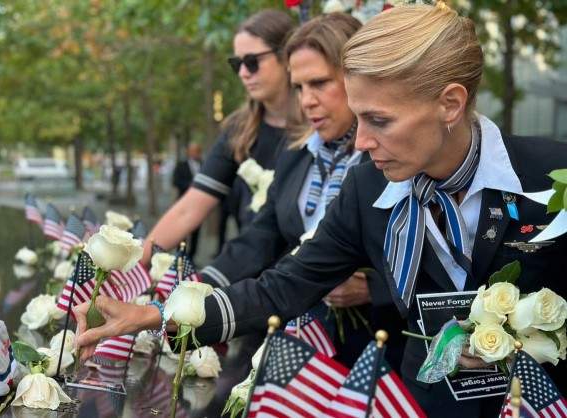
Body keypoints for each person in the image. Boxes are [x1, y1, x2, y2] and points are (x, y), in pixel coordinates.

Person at [75, 4, 567, 417]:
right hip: (421, 402)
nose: (364, 141)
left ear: (450, 103)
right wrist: (159, 313)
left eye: (379, 120)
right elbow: (285, 285)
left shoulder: (553, 174)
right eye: (358, 118)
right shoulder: (368, 184)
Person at [200, 12, 403, 368]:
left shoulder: (397, 160)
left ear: (358, 78)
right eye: (299, 87)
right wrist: (196, 289)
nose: (306, 100)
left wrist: (373, 290)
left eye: (320, 83)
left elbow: (443, 264)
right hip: (302, 349)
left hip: (381, 355)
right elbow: (259, 239)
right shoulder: (295, 156)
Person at [142, 10, 295, 265]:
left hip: (319, 283)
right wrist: (135, 263)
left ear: (287, 56)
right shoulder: (239, 129)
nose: (244, 73)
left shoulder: (323, 126)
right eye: (237, 64)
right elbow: (189, 208)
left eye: (252, 62)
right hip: (252, 274)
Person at [172, 143, 203, 259]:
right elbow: (175, 181)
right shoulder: (181, 165)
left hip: (199, 204)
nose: (194, 153)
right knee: (182, 232)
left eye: (196, 151)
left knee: (196, 232)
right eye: (192, 151)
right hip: (183, 201)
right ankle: (181, 256)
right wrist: (191, 186)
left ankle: (192, 257)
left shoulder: (203, 165)